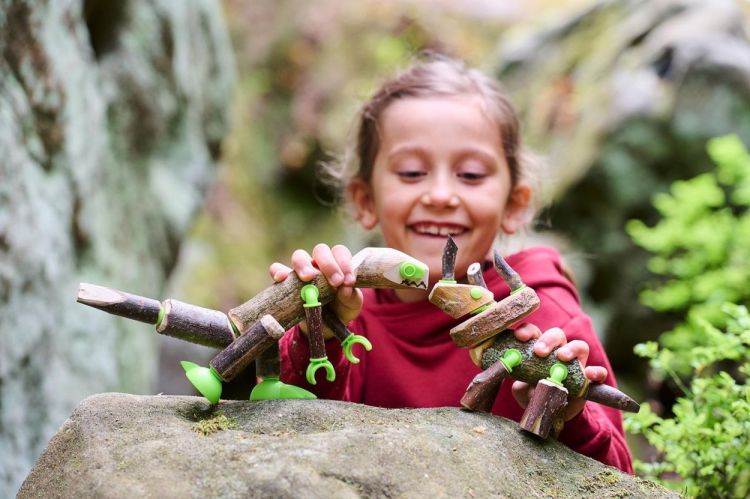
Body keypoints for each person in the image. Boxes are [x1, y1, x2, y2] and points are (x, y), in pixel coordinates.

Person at [268, 55, 633, 473]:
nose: (440, 195)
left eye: (471, 175)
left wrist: (571, 418)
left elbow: (620, 477)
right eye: (411, 172)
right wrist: (317, 332)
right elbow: (292, 443)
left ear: (514, 204)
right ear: (365, 200)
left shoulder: (550, 322)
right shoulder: (350, 315)